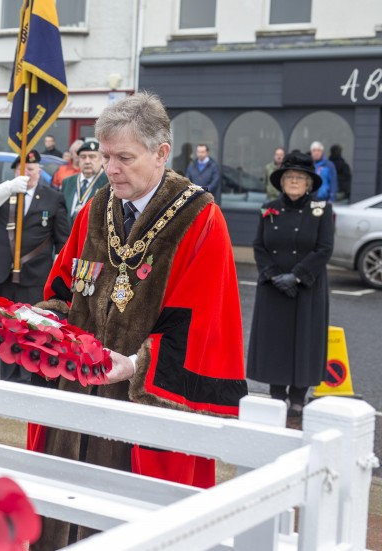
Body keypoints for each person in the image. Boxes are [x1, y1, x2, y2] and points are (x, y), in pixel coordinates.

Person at [31, 93, 247, 550]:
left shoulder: (200, 218)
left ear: (161, 153)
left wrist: (136, 365)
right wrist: (39, 324)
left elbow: (201, 325)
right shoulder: (94, 209)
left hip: (144, 407)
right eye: (106, 155)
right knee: (61, 521)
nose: (111, 169)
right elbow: (65, 289)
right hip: (77, 401)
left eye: (124, 158)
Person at [247, 150, 334, 418]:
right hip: (273, 287)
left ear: (309, 183)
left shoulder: (321, 210)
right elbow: (259, 246)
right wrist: (274, 276)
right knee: (276, 341)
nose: (294, 181)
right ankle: (277, 394)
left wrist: (295, 276)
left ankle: (298, 397)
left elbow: (324, 249)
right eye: (289, 177)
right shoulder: (269, 209)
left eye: (299, 177)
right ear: (281, 182)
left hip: (306, 287)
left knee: (304, 341)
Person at [0, 149, 70, 383]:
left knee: (31, 329)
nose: (27, 174)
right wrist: (9, 187)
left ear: (39, 171)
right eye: (22, 169)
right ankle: (8, 380)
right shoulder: (4, 192)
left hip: (35, 275)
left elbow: (62, 240)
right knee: (4, 328)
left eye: (31, 169)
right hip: (3, 274)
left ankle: (28, 380)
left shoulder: (52, 197)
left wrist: (61, 279)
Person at [60, 140, 108, 223]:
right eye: (83, 157)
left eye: (92, 157)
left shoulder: (108, 183)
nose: (87, 161)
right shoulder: (67, 182)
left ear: (101, 160)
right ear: (78, 160)